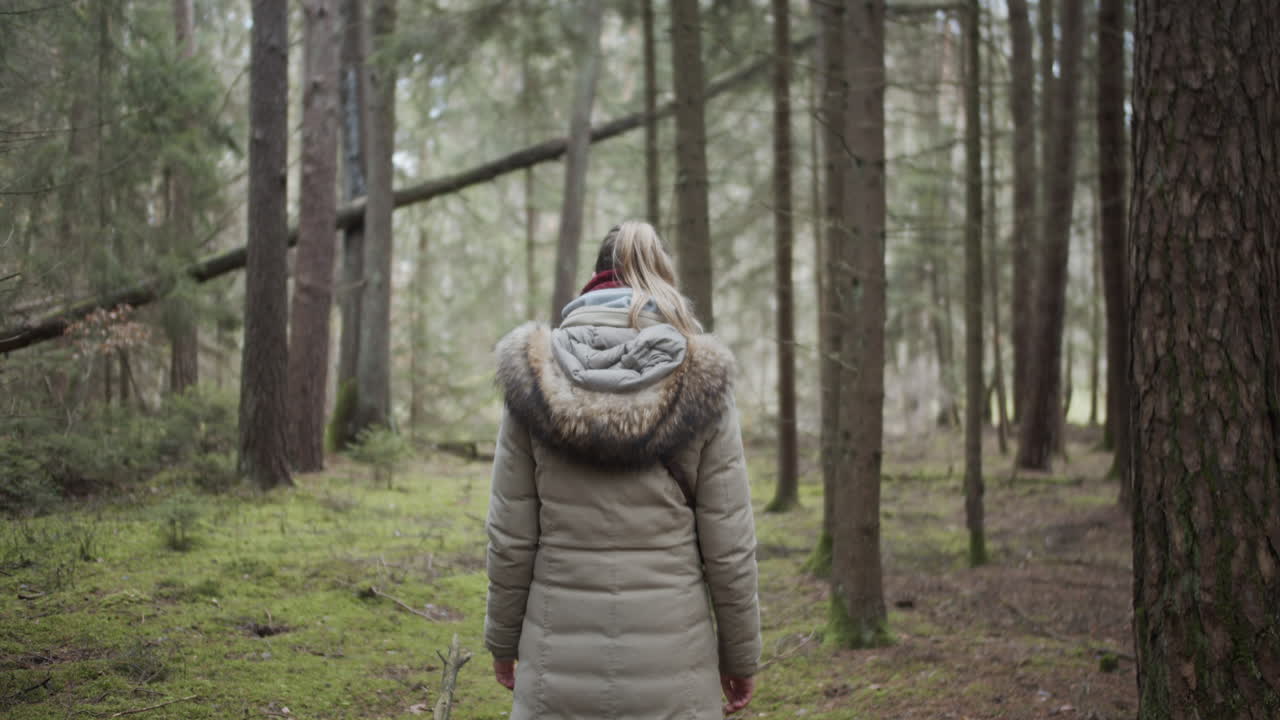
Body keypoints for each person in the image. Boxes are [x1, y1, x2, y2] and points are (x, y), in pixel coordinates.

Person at [484, 220, 762, 719]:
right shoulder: (702, 379)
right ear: (661, 278)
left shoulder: (532, 378)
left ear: (595, 279)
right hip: (673, 661)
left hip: (556, 662)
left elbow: (510, 536)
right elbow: (730, 547)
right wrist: (740, 656)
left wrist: (503, 641)